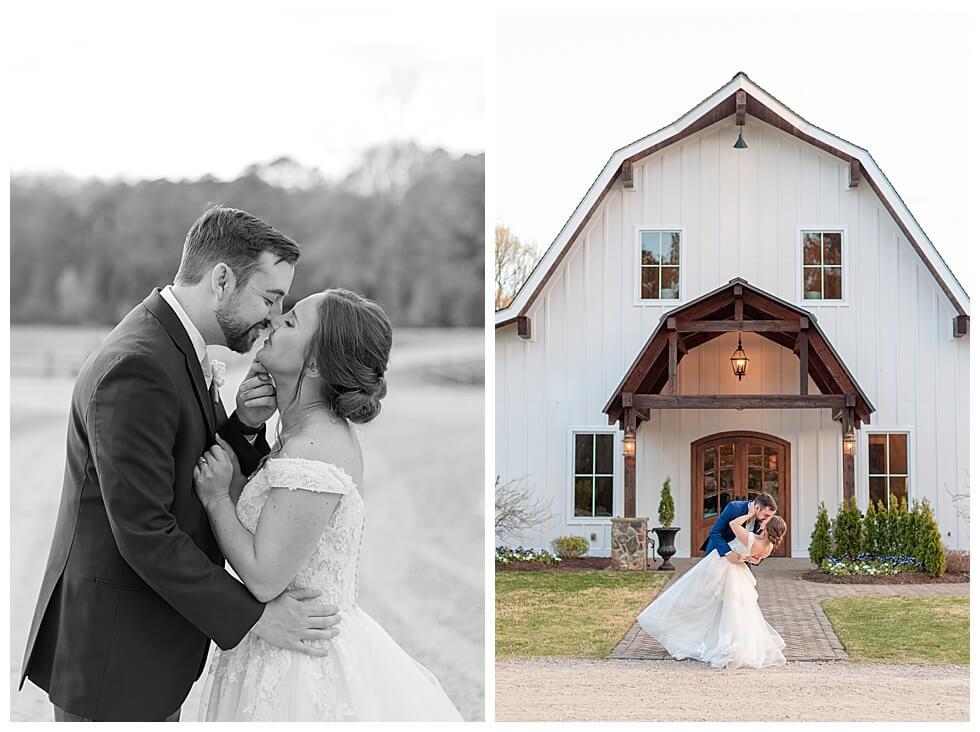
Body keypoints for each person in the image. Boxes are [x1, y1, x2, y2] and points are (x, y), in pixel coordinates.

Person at [21, 206, 342, 722]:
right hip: (115, 655)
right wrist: (258, 617)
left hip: (141, 649)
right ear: (221, 279)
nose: (273, 317)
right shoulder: (139, 365)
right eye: (268, 297)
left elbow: (185, 469)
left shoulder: (172, 345)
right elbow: (144, 530)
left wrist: (242, 427)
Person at [193, 288, 463, 721]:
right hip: (277, 644)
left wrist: (214, 498)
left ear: (315, 363)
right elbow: (270, 522)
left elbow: (264, 577)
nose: (275, 320)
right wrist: (244, 428)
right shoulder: (305, 434)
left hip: (297, 665)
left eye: (292, 321)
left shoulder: (314, 450)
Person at [636, 495, 787, 669]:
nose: (767, 519)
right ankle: (689, 634)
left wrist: (751, 558)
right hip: (719, 559)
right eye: (766, 516)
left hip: (737, 568)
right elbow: (715, 533)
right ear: (758, 508)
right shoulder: (735, 508)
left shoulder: (761, 529)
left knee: (729, 607)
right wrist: (727, 553)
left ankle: (717, 642)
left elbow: (754, 549)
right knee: (700, 599)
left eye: (769, 518)